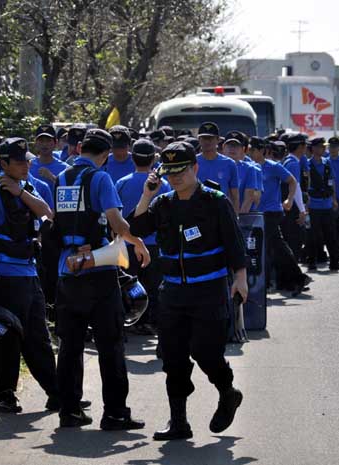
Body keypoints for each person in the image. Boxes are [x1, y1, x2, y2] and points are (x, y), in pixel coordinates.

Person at [129, 141, 248, 441]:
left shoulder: (215, 201)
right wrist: (147, 194)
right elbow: (137, 228)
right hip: (173, 292)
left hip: (208, 290)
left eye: (181, 171)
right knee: (173, 357)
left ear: (195, 168)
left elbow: (234, 242)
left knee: (206, 352)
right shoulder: (163, 203)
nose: (175, 177)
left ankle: (227, 391)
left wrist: (240, 278)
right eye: (170, 172)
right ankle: (179, 421)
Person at [53, 128, 150, 429]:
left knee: (70, 345)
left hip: (67, 270)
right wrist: (137, 243)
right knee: (110, 344)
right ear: (106, 154)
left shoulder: (61, 178)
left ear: (80, 147)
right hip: (99, 268)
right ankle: (115, 413)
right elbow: (116, 222)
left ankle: (69, 411)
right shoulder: (100, 178)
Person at [0, 137, 61, 413]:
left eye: (27, 161)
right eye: (20, 162)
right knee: (7, 337)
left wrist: (20, 191)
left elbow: (47, 214)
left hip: (29, 274)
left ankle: (56, 392)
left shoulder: (29, 188)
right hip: (4, 276)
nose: (26, 166)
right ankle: (4, 395)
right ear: (4, 164)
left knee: (39, 337)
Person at [115, 139, 171, 333]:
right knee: (153, 285)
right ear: (153, 159)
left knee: (128, 284)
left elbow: (116, 214)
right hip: (154, 244)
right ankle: (150, 322)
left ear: (133, 158)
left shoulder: (121, 183)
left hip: (127, 243)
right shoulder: (162, 184)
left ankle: (130, 321)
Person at [257, 145, 310, 297]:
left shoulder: (275, 166)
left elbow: (294, 183)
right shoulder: (247, 166)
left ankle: (268, 283)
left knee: (270, 247)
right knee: (276, 247)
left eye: (255, 150)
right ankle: (293, 279)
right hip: (255, 213)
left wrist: (291, 201)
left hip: (272, 212)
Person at [305, 137, 339, 272]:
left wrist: (334, 199)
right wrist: (306, 204)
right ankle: (311, 262)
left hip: (327, 204)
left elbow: (332, 182)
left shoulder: (327, 163)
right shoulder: (307, 164)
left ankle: (334, 262)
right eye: (321, 146)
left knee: (331, 235)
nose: (324, 149)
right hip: (313, 205)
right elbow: (305, 184)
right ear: (314, 148)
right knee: (313, 236)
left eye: (324, 147)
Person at [196, 122, 239, 212]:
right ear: (199, 140)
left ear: (218, 140)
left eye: (210, 138)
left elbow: (234, 195)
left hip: (221, 211)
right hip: (197, 211)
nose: (207, 142)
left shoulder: (229, 163)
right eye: (204, 138)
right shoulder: (192, 163)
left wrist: (235, 216)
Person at [280, 134, 309, 261]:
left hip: (287, 206)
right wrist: (302, 210)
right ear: (300, 147)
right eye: (305, 145)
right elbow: (295, 188)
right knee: (294, 241)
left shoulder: (287, 161)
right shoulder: (293, 163)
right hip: (292, 207)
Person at [223, 131, 261, 213]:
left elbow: (249, 199)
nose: (232, 149)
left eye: (236, 146)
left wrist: (237, 218)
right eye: (229, 146)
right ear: (223, 147)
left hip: (242, 216)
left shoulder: (249, 169)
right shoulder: (217, 166)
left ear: (243, 149)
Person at [29, 124, 69, 193]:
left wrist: (52, 177)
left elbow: (69, 192)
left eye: (48, 140)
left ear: (55, 143)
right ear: (35, 143)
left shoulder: (65, 168)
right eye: (41, 140)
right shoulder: (28, 166)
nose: (44, 144)